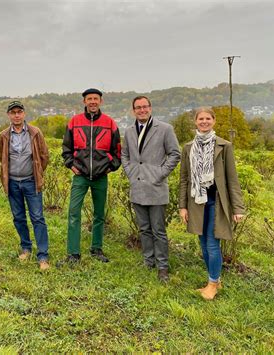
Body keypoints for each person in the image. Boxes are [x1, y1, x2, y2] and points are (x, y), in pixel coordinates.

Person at [179, 107, 245, 300]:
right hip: (196, 201)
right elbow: (184, 179)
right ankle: (214, 279)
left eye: (208, 118)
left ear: (214, 121)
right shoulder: (188, 147)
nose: (204, 121)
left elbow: (232, 179)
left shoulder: (224, 146)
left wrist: (238, 208)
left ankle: (212, 284)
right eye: (201, 119)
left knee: (212, 242)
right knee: (202, 242)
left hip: (216, 200)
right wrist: (182, 206)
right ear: (196, 121)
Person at [121, 96, 180, 282]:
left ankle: (162, 266)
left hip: (156, 187)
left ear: (150, 108)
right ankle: (148, 260)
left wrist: (160, 174)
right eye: (138, 108)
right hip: (137, 186)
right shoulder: (129, 131)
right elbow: (125, 154)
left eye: (145, 107)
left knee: (158, 230)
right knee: (144, 228)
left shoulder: (164, 129)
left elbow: (175, 154)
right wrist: (130, 172)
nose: (142, 110)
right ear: (133, 111)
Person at [61, 88, 121, 264]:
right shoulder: (74, 121)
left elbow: (117, 151)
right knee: (73, 213)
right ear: (84, 102)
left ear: (101, 101)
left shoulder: (110, 123)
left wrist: (110, 168)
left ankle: (96, 249)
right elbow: (66, 149)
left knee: (99, 214)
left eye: (96, 99)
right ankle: (73, 253)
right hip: (80, 175)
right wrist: (71, 165)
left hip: (101, 177)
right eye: (89, 99)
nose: (93, 101)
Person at [0, 101, 50, 270]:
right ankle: (26, 248)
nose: (17, 115)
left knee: (37, 217)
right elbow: (2, 158)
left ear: (24, 114)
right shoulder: (3, 135)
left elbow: (44, 156)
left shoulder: (35, 133)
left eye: (19, 112)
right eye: (13, 112)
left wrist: (37, 173)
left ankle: (43, 255)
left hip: (31, 182)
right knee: (18, 217)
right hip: (12, 182)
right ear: (9, 115)